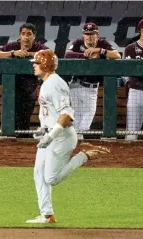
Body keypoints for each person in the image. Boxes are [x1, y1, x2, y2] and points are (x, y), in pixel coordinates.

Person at [26, 49, 110, 224]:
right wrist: (44, 129)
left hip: (62, 137)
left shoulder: (54, 84)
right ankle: (47, 214)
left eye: (36, 63)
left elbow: (66, 115)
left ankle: (84, 156)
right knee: (38, 173)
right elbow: (52, 113)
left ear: (45, 64)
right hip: (52, 134)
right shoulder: (47, 82)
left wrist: (50, 136)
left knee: (51, 178)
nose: (33, 66)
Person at [64, 22, 121, 140]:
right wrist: (86, 56)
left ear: (97, 35)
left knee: (88, 118)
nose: (89, 36)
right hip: (76, 85)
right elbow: (67, 55)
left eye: (92, 34)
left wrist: (100, 51)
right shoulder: (78, 43)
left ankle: (75, 139)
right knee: (76, 118)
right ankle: (74, 142)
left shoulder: (102, 43)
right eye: (87, 34)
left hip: (92, 87)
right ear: (83, 35)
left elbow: (117, 55)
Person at [0, 23, 48, 136]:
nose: (26, 37)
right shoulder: (13, 45)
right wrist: (13, 53)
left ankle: (22, 145)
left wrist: (28, 54)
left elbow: (50, 55)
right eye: (23, 34)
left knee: (24, 123)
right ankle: (8, 144)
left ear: (34, 36)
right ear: (20, 35)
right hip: (11, 91)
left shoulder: (39, 47)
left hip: (29, 91)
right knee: (10, 122)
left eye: (29, 34)